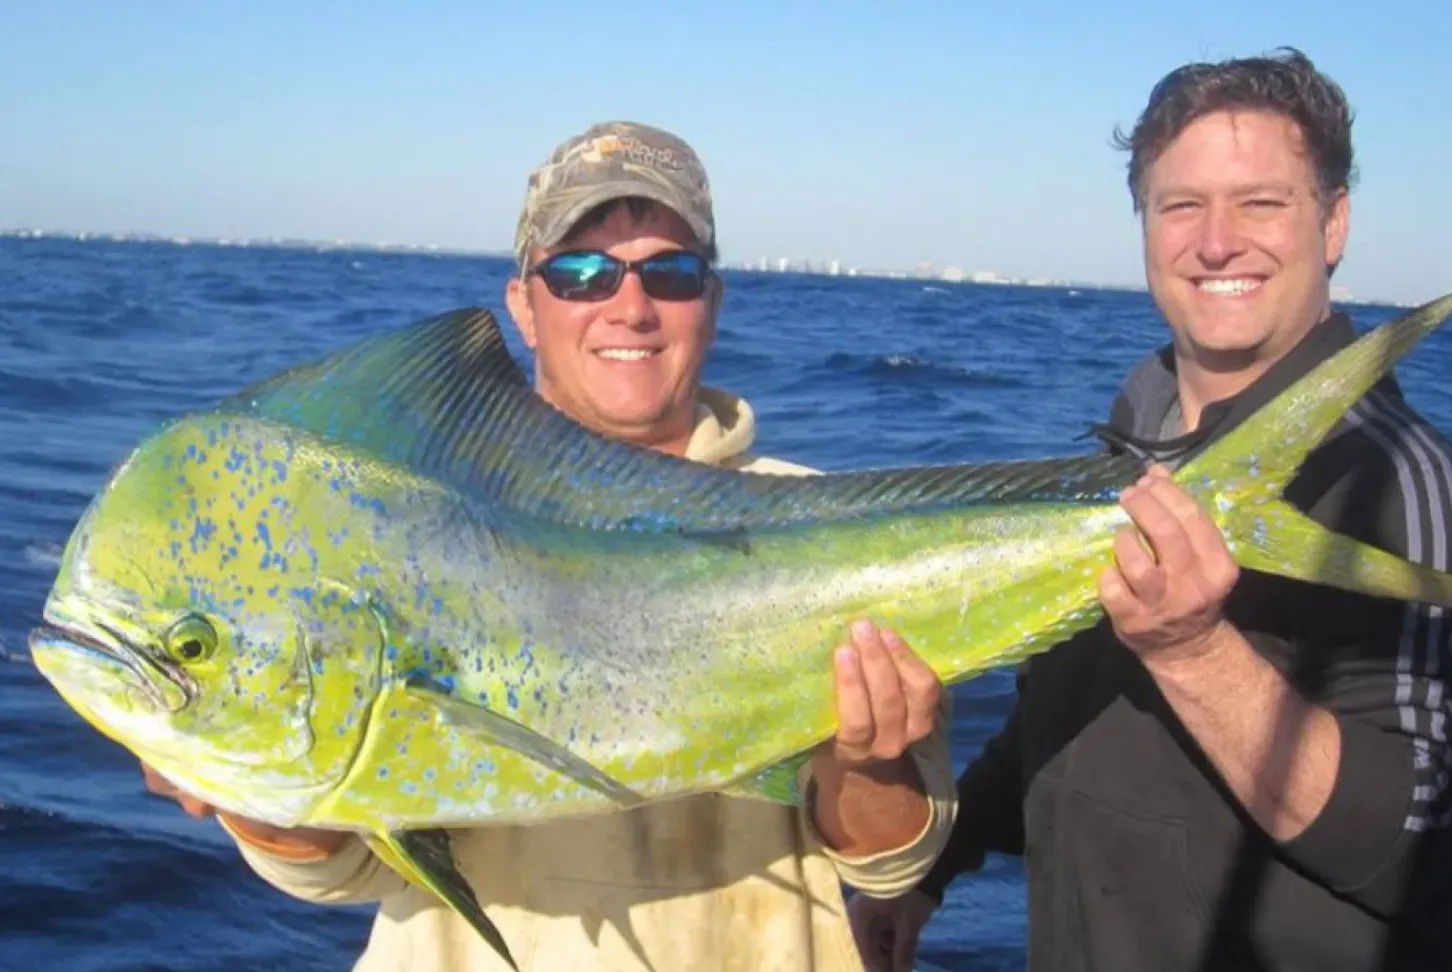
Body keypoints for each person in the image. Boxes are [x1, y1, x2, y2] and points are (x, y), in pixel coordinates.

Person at [142, 120, 959, 972]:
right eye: (580, 273)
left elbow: (894, 859)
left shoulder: (832, 533)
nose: (630, 306)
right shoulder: (402, 534)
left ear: (711, 303)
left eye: (671, 273)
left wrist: (870, 763)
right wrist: (252, 787)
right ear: (524, 305)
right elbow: (339, 867)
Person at [849, 47, 1452, 972]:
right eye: (1181, 205)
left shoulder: (1401, 478)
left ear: (1333, 223)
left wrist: (1196, 652)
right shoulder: (1130, 452)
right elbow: (1062, 710)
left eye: (1261, 202)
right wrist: (939, 869)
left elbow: (1422, 846)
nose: (1216, 242)